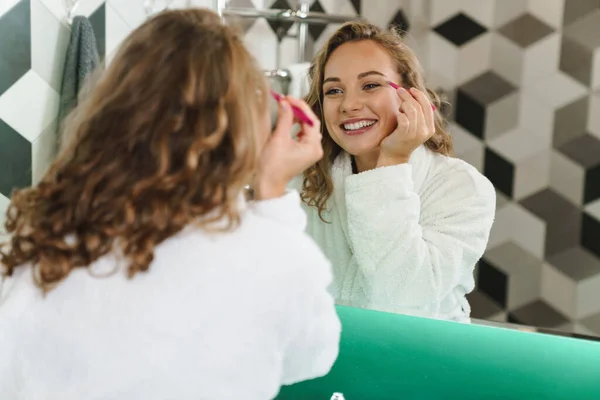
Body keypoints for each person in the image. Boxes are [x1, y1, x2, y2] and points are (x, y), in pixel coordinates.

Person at [0, 8, 340, 400]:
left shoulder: (48, 235)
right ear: (244, 129)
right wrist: (273, 195)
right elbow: (311, 358)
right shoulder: (274, 254)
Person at [292, 21, 496, 322]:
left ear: (410, 96)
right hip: (332, 361)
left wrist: (393, 161)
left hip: (421, 361)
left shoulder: (462, 188)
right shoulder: (307, 182)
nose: (349, 105)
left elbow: (401, 298)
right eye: (334, 90)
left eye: (371, 85)